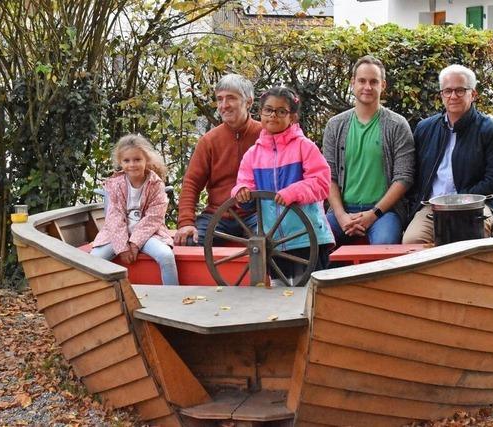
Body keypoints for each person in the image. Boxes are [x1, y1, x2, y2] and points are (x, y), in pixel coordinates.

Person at [232, 86, 334, 285]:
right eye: (268, 110)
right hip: (274, 242)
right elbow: (244, 185)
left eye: (281, 111)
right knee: (281, 296)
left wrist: (292, 192)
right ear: (260, 113)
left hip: (308, 237)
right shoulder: (252, 155)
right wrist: (241, 193)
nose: (273, 116)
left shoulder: (305, 147)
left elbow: (322, 183)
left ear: (293, 117)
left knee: (311, 296)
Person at [403, 64, 493, 244]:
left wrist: (459, 200)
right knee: (412, 242)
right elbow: (413, 174)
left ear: (473, 94)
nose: (453, 96)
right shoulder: (425, 129)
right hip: (434, 207)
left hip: (477, 207)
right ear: (441, 95)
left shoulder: (492, 132)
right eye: (447, 91)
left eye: (460, 90)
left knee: (469, 240)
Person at [322, 55, 414, 246]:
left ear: (383, 85)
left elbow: (403, 178)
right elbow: (328, 175)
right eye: (362, 81)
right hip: (342, 211)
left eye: (374, 81)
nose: (367, 87)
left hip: (384, 213)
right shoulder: (335, 125)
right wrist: (341, 216)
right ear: (352, 83)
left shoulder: (397, 125)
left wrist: (373, 214)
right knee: (315, 243)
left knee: (383, 247)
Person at [175, 74, 261, 246]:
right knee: (190, 241)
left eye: (231, 98)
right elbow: (191, 183)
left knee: (273, 242)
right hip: (218, 215)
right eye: (219, 99)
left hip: (256, 215)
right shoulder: (209, 141)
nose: (223, 105)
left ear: (249, 102)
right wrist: (186, 222)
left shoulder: (265, 136)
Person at [91, 134, 178, 286]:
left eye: (137, 159)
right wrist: (122, 247)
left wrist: (135, 243)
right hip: (116, 235)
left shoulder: (156, 185)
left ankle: (174, 296)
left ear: (146, 160)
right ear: (120, 162)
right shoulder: (116, 184)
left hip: (149, 234)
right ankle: (96, 298)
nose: (132, 164)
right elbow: (114, 216)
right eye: (127, 160)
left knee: (166, 256)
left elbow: (154, 218)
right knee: (93, 260)